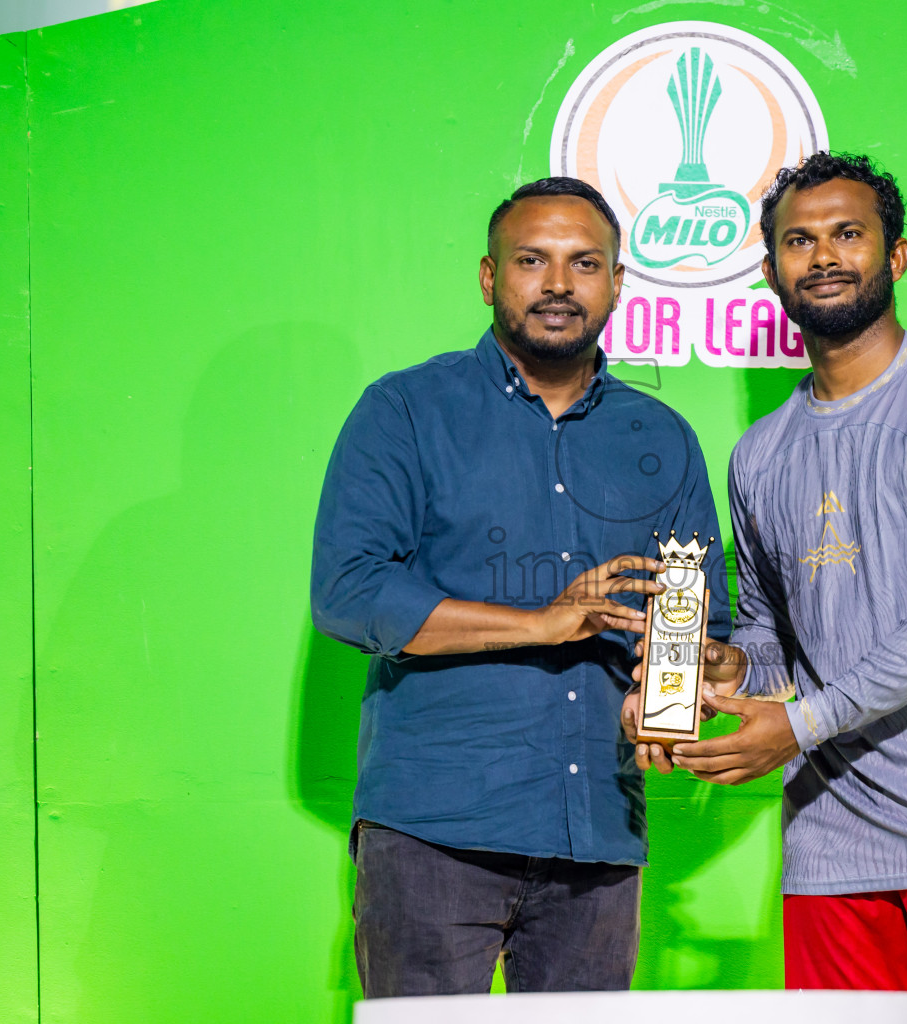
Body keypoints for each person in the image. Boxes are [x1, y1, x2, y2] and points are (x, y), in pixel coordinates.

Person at [629, 153, 907, 1023]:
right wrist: (719, 672)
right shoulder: (759, 454)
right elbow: (772, 637)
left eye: (848, 234)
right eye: (800, 241)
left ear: (894, 255)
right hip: (830, 852)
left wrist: (800, 724)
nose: (825, 256)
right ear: (770, 273)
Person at [312, 176, 730, 997]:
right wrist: (541, 622)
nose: (558, 284)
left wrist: (669, 694)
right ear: (489, 276)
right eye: (532, 260)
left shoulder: (661, 437)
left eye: (585, 263)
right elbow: (350, 591)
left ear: (618, 282)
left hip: (599, 835)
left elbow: (694, 615)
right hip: (436, 833)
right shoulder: (406, 411)